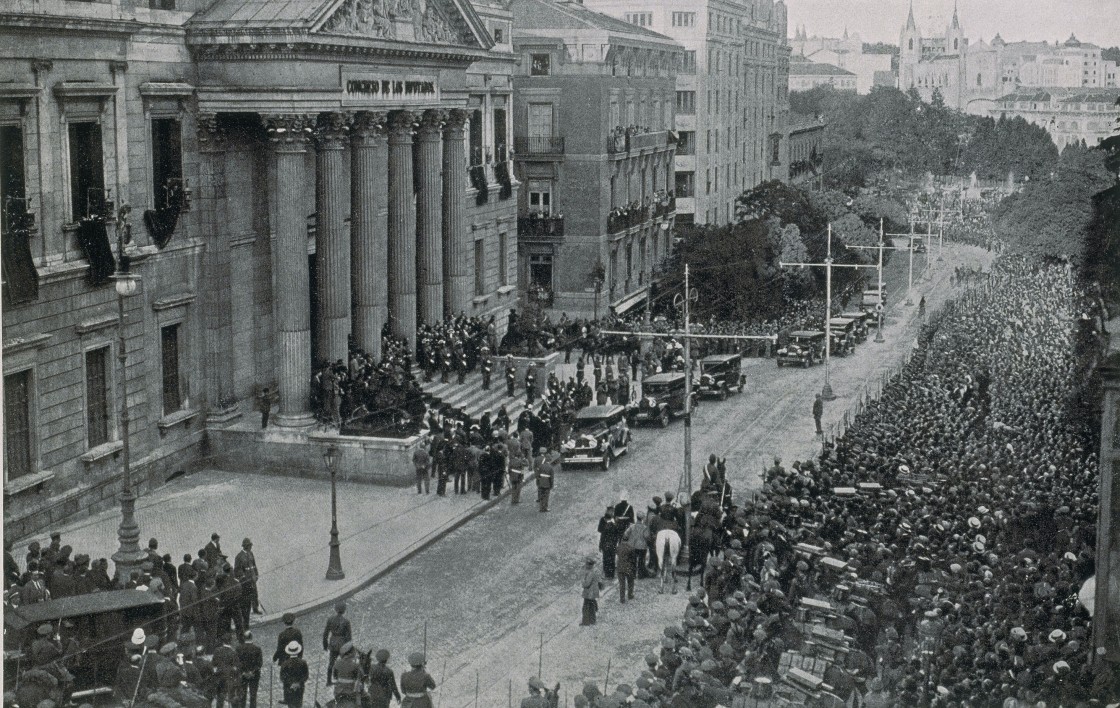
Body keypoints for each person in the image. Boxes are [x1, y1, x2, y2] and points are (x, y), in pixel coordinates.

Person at [322, 602, 352, 686]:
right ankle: (344, 679)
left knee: (331, 662)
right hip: (342, 644)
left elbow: (325, 633)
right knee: (345, 662)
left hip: (333, 643)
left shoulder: (330, 619)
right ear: (344, 611)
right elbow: (349, 637)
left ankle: (328, 681)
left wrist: (325, 645)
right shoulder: (346, 621)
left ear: (335, 610)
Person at [234, 538, 260, 621]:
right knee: (247, 595)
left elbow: (254, 565)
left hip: (252, 578)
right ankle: (246, 613)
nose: (250, 547)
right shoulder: (239, 556)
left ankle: (255, 608)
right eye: (249, 546)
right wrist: (243, 577)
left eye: (250, 545)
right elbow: (237, 569)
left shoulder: (251, 554)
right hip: (246, 580)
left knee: (255, 593)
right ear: (245, 546)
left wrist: (256, 574)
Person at [236, 631, 263, 708]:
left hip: (242, 676)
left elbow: (237, 663)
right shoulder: (257, 649)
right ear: (251, 637)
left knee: (242, 696)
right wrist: (251, 672)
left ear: (244, 638)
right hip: (254, 675)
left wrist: (244, 672)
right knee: (253, 696)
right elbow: (259, 663)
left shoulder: (238, 649)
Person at [280, 642, 309, 708]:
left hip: (289, 688)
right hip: (300, 687)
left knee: (291, 705)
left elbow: (282, 677)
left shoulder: (285, 664)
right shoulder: (303, 663)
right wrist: (298, 683)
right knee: (299, 703)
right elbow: (306, 675)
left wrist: (291, 684)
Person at [597, 508, 620, 579]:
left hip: (606, 545)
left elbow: (602, 535)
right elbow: (617, 535)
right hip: (613, 544)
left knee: (606, 559)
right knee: (612, 559)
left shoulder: (604, 524)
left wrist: (600, 546)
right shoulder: (615, 524)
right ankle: (611, 574)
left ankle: (607, 574)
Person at [580, 556, 604, 626]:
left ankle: (586, 622)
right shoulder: (596, 570)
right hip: (594, 592)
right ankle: (592, 621)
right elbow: (600, 581)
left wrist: (582, 580)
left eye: (587, 564)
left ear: (589, 564)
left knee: (585, 607)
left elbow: (586, 584)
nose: (586, 565)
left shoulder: (591, 573)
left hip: (589, 593)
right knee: (592, 606)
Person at [615, 535, 635, 604]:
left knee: (622, 584)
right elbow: (633, 560)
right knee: (630, 582)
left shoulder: (618, 547)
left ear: (622, 540)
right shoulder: (631, 548)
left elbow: (617, 554)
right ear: (628, 540)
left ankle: (622, 599)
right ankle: (630, 595)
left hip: (620, 568)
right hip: (629, 567)